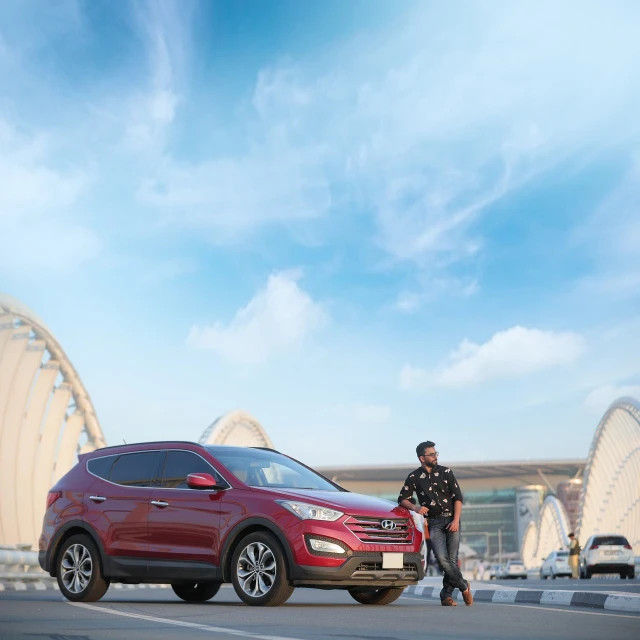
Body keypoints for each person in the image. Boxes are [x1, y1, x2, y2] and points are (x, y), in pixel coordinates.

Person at [398, 440, 473, 607]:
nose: (435, 456)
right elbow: (403, 499)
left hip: (452, 519)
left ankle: (446, 596)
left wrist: (455, 520)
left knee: (452, 561)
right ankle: (463, 586)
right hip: (434, 522)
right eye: (431, 454)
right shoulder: (414, 477)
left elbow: (458, 498)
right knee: (442, 559)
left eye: (436, 453)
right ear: (422, 458)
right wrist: (416, 507)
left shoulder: (446, 472)